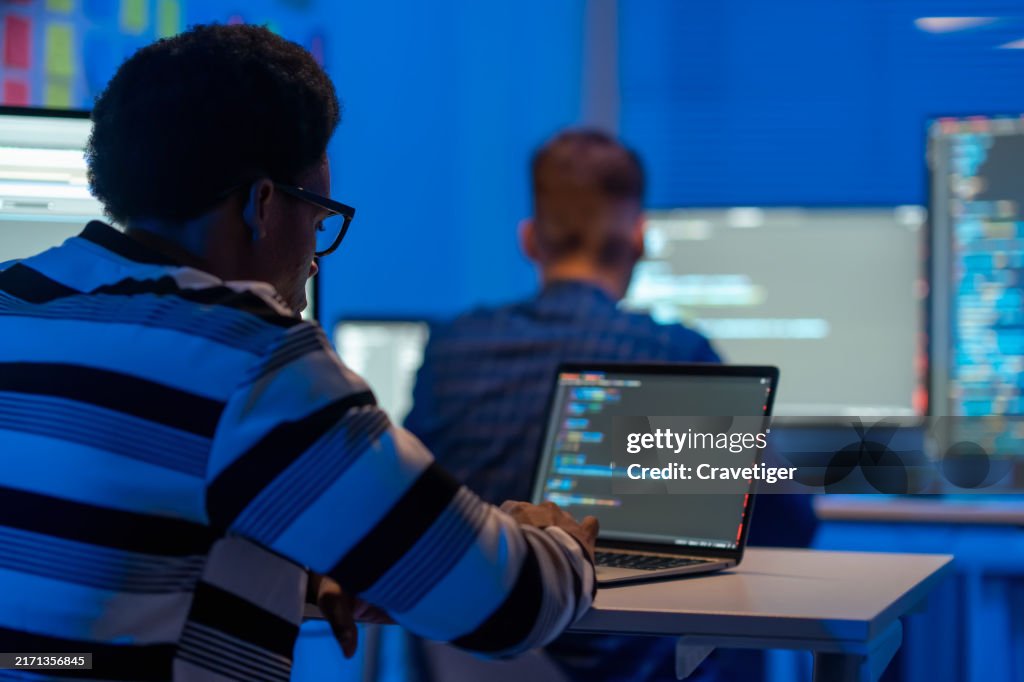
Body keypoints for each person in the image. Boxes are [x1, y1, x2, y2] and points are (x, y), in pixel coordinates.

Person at [0, 25, 599, 681]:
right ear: (262, 205)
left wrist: (300, 570)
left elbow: (81, 598)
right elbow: (508, 605)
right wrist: (563, 543)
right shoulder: (246, 359)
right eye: (317, 219)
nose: (314, 260)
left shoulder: (14, 300)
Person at [404, 130, 720, 681]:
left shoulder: (451, 347)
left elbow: (411, 499)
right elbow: (783, 525)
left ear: (529, 240)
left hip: (466, 663)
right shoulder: (680, 356)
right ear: (640, 240)